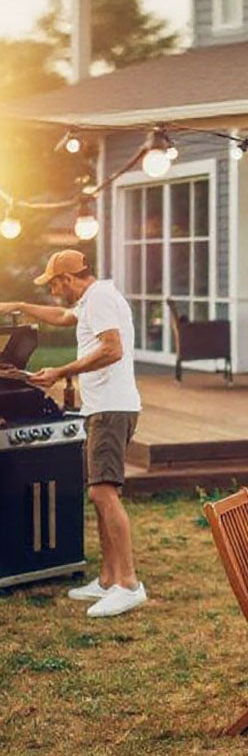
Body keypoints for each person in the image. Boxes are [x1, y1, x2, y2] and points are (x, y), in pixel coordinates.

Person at [0, 250, 145, 617]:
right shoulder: (93, 298)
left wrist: (61, 371)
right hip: (105, 407)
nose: (52, 291)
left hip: (112, 408)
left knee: (103, 493)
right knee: (99, 493)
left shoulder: (99, 300)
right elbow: (64, 317)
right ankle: (108, 579)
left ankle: (129, 584)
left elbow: (112, 349)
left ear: (67, 279)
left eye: (52, 284)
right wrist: (19, 304)